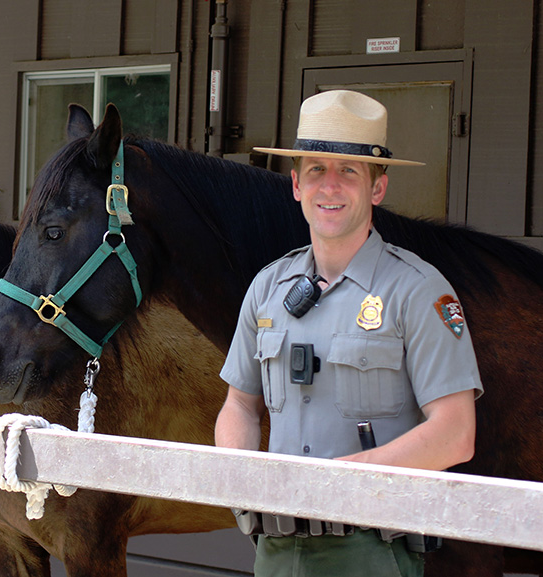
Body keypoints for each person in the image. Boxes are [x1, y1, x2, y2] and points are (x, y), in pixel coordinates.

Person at [215, 90, 483, 577]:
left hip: (372, 554)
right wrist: (241, 477)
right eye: (316, 169)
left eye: (349, 171)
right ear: (295, 184)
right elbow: (239, 405)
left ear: (377, 188)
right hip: (273, 552)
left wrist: (341, 485)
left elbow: (456, 433)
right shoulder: (267, 289)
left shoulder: (418, 292)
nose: (330, 186)